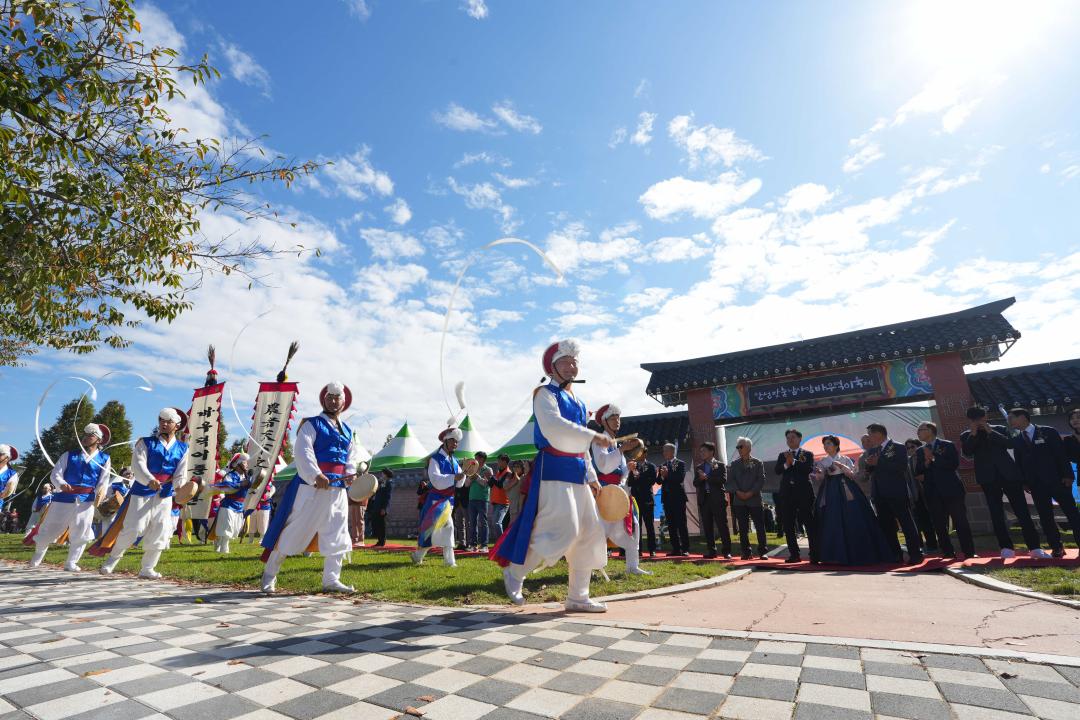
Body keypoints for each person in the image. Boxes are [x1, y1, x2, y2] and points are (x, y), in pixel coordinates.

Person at [494, 338, 612, 612]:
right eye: (565, 362)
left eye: (574, 362)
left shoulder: (580, 403)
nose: (571, 367)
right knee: (562, 527)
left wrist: (592, 476)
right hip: (553, 469)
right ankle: (515, 571)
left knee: (589, 531)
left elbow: (582, 447)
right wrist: (593, 435)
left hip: (578, 472)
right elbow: (554, 427)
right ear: (552, 367)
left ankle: (578, 596)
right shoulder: (544, 395)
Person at [260, 382, 361, 593]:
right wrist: (316, 475)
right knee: (293, 530)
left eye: (338, 398)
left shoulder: (349, 431)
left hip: (337, 490)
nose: (334, 401)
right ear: (324, 399)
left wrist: (349, 475)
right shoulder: (311, 424)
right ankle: (269, 576)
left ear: (344, 402)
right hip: (312, 487)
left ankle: (331, 580)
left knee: (338, 533)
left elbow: (351, 458)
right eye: (330, 397)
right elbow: (303, 452)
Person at [94, 409, 191, 578]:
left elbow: (180, 473)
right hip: (142, 491)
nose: (164, 424)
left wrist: (180, 488)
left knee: (160, 529)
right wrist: (149, 479)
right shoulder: (145, 442)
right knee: (133, 528)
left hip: (165, 495)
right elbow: (138, 465)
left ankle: (147, 568)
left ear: (177, 425)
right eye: (161, 420)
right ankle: (112, 560)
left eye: (168, 421)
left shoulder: (183, 448)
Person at [28, 424, 112, 571]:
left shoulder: (104, 458)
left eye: (89, 436)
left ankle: (71, 562)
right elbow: (56, 474)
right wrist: (61, 484)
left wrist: (100, 493)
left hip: (86, 500)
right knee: (49, 528)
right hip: (63, 498)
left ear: (98, 440)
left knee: (81, 531)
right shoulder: (69, 455)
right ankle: (37, 556)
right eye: (84, 435)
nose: (85, 438)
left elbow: (103, 480)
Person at [961, 406, 1042, 558]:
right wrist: (973, 433)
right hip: (988, 478)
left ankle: (1034, 547)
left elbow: (1009, 444)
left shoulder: (999, 428)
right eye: (975, 419)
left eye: (981, 418)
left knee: (1022, 511)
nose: (979, 421)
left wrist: (990, 431)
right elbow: (967, 453)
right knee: (996, 513)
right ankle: (1006, 547)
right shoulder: (966, 435)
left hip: (1009, 475)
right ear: (970, 420)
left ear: (986, 417)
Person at [1010, 408, 1080, 558]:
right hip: (1036, 485)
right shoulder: (1017, 439)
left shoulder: (1048, 432)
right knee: (1045, 517)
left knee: (1072, 514)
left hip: (1058, 481)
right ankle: (1056, 547)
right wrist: (1024, 482)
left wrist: (1068, 475)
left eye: (1012, 418)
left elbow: (1060, 455)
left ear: (1022, 417)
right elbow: (1020, 462)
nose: (1010, 422)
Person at [590, 404, 650, 575]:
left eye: (618, 418)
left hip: (619, 492)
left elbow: (619, 472)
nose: (617, 421)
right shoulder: (600, 439)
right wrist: (622, 449)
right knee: (600, 530)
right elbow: (604, 466)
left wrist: (627, 468)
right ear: (604, 421)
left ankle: (632, 565)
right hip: (604, 492)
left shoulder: (614, 444)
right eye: (613, 418)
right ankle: (594, 567)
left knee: (633, 526)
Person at [815, 435, 893, 564]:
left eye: (828, 443)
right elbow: (820, 477)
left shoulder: (845, 459)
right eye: (825, 444)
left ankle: (859, 552)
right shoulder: (822, 461)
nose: (826, 446)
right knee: (832, 517)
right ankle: (834, 555)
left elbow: (852, 475)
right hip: (831, 490)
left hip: (847, 487)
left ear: (835, 445)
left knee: (854, 515)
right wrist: (818, 473)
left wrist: (842, 467)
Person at [914, 422, 976, 559]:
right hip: (932, 491)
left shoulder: (947, 445)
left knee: (960, 521)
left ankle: (969, 552)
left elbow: (953, 464)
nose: (918, 433)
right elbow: (918, 470)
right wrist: (926, 462)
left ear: (930, 430)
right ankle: (947, 552)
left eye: (921, 430)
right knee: (939, 524)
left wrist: (933, 458)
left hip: (951, 490)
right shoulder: (919, 451)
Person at [866, 423, 924, 564]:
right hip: (879, 494)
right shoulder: (873, 450)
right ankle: (895, 555)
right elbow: (870, 470)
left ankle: (915, 554)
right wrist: (870, 464)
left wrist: (880, 461)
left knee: (906, 524)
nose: (869, 438)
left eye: (870, 435)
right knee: (887, 526)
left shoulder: (898, 447)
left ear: (878, 434)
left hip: (896, 492)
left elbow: (901, 467)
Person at [412, 428, 465, 566]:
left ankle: (419, 556)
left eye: (457, 441)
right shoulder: (435, 459)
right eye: (453, 440)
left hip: (448, 501)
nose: (455, 444)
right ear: (445, 441)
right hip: (436, 501)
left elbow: (459, 484)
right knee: (442, 528)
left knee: (437, 530)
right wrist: (454, 477)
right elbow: (435, 480)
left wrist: (464, 473)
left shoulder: (455, 461)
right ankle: (448, 561)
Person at [773, 429, 817, 564]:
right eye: (788, 438)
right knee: (788, 524)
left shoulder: (807, 454)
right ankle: (794, 554)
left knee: (809, 523)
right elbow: (777, 470)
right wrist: (787, 463)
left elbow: (808, 469)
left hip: (804, 493)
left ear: (799, 439)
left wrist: (794, 462)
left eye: (793, 437)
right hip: (787, 494)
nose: (790, 440)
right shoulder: (783, 455)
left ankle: (814, 554)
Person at [729, 437, 767, 559]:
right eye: (737, 447)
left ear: (749, 448)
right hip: (739, 500)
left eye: (741, 446)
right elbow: (730, 481)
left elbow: (760, 480)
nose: (739, 449)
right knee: (743, 528)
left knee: (760, 526)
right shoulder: (734, 464)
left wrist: (750, 493)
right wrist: (738, 492)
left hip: (754, 499)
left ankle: (763, 551)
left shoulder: (758, 463)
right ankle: (746, 552)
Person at [209, 453, 252, 554]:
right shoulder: (229, 476)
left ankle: (219, 541)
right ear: (238, 464)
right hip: (228, 505)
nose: (247, 465)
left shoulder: (247, 477)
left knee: (235, 528)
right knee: (227, 527)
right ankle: (224, 548)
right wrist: (240, 484)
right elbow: (226, 487)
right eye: (244, 462)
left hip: (240, 506)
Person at [695, 442, 732, 560]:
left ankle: (727, 551)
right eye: (701, 451)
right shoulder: (699, 467)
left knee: (722, 525)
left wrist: (707, 477)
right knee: (707, 526)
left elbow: (723, 480)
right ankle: (711, 551)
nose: (702, 453)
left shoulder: (720, 465)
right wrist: (701, 479)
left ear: (711, 451)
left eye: (704, 451)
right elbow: (695, 483)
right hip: (705, 499)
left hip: (717, 499)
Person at [906, 439, 939, 554]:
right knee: (923, 521)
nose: (910, 449)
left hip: (930, 491)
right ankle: (930, 544)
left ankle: (940, 542)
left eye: (912, 446)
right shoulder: (908, 461)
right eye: (908, 448)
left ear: (918, 446)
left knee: (936, 518)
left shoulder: (925, 456)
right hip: (917, 495)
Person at [658, 443, 689, 556]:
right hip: (667, 498)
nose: (664, 453)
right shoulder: (663, 464)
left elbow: (680, 478)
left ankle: (685, 548)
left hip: (678, 498)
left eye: (666, 450)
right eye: (663, 450)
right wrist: (661, 475)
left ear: (672, 451)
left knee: (681, 523)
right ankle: (675, 548)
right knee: (671, 525)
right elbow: (659, 481)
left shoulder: (680, 463)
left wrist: (667, 474)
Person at [628, 454, 659, 557]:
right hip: (636, 499)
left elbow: (652, 481)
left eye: (639, 452)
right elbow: (630, 482)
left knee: (649, 525)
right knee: (637, 526)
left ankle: (652, 549)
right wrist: (633, 473)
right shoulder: (633, 466)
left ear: (645, 453)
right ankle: (638, 549)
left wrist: (639, 477)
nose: (637, 455)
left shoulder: (651, 466)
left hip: (647, 499)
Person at [467, 452, 491, 551]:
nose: (475, 460)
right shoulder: (472, 469)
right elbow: (466, 485)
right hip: (472, 498)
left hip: (482, 499)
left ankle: (484, 545)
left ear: (482, 459)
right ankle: (473, 545)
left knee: (483, 522)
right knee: (472, 523)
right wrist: (471, 478)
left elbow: (485, 484)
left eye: (476, 458)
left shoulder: (488, 470)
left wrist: (476, 477)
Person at [488, 454, 512, 540]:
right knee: (495, 523)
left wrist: (493, 479)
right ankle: (500, 543)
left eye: (499, 461)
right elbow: (491, 485)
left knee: (497, 523)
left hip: (503, 502)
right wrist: (489, 478)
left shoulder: (508, 473)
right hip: (495, 502)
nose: (497, 462)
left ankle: (501, 543)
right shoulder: (498, 473)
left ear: (505, 462)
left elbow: (501, 485)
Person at [368, 468, 394, 546]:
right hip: (376, 506)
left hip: (382, 507)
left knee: (382, 525)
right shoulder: (382, 482)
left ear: (386, 474)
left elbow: (388, 497)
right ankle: (379, 540)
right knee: (377, 523)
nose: (381, 475)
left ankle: (382, 541)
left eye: (383, 473)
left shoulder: (389, 483)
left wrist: (384, 508)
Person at [505, 460, 526, 526]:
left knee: (512, 526)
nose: (515, 468)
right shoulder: (510, 477)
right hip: (512, 506)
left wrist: (518, 480)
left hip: (519, 506)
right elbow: (505, 487)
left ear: (522, 468)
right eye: (514, 466)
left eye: (518, 467)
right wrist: (514, 481)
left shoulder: (524, 477)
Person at [347, 482, 367, 548]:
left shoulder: (364, 480)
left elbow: (366, 491)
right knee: (353, 522)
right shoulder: (353, 481)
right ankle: (354, 539)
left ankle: (361, 540)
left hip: (360, 502)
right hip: (352, 502)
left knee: (359, 522)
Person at [0, 444, 19, 514]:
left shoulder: (12, 474)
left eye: (0, 454)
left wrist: (2, 494)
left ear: (7, 458)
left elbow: (7, 493)